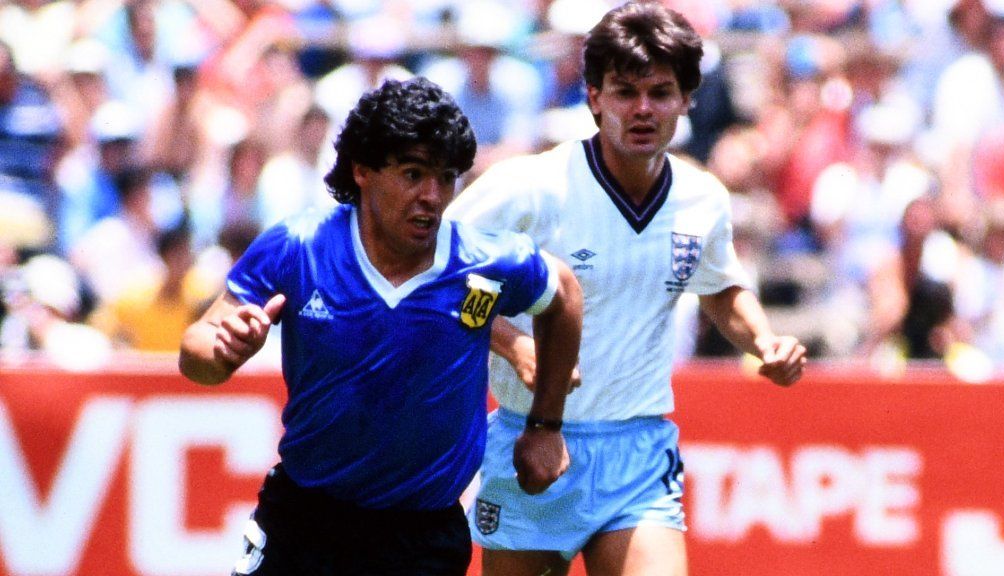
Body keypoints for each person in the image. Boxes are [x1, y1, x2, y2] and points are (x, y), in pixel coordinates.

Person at [444, 3, 807, 575]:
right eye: (624, 92)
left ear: (686, 101)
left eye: (660, 93)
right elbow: (443, 274)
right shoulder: (529, 187)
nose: (642, 109)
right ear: (594, 97)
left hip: (637, 451)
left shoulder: (702, 199)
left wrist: (764, 341)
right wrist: (516, 348)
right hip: (531, 440)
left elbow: (718, 287)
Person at [178, 77, 583, 576]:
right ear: (363, 169)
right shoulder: (299, 247)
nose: (432, 196)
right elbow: (196, 354)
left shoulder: (488, 261)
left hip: (421, 539)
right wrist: (220, 349)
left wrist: (546, 425)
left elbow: (563, 294)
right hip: (304, 523)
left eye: (446, 177)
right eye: (413, 174)